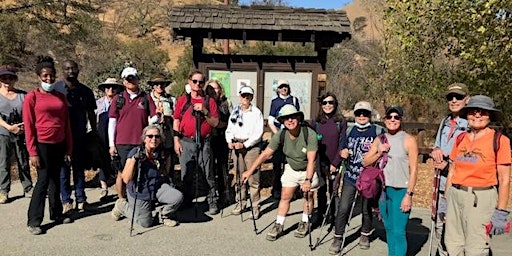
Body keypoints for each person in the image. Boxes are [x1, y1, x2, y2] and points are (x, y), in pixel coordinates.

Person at [444, 95, 511, 255]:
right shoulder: (461, 138)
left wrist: (501, 211)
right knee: (452, 245)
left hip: (480, 198)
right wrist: (446, 199)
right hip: (456, 195)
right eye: (473, 111)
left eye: (482, 112)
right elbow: (452, 170)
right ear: (467, 115)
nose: (477, 115)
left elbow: (504, 179)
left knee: (476, 248)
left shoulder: (499, 140)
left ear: (490, 115)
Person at [242, 104, 319, 241]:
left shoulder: (309, 134)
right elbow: (265, 154)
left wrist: (308, 180)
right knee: (285, 196)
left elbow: (311, 160)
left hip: (308, 168)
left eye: (293, 117)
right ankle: (279, 224)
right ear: (282, 121)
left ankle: (305, 221)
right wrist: (249, 171)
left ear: (298, 118)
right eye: (286, 118)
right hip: (291, 168)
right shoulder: (281, 135)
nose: (290, 120)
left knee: (308, 196)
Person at [23, 56, 73, 235]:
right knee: (43, 181)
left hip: (59, 144)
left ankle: (56, 213)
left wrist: (68, 148)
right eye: (45, 76)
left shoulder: (60, 97)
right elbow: (28, 126)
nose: (49, 79)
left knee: (56, 180)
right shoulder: (32, 97)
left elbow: (66, 124)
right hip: (42, 145)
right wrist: (32, 152)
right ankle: (34, 220)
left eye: (51, 76)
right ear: (39, 76)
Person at [362, 105, 418, 256]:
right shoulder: (380, 139)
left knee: (399, 231)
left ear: (401, 120)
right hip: (383, 191)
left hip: (401, 191)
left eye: (396, 117)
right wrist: (380, 152)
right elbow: (365, 162)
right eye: (389, 117)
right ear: (385, 119)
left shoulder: (409, 140)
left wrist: (409, 194)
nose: (393, 120)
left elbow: (413, 170)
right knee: (389, 228)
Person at [329, 100, 383, 254]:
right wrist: (343, 153)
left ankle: (365, 234)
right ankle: (338, 237)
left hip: (368, 178)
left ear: (370, 115)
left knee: (366, 209)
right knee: (344, 207)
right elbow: (342, 148)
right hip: (350, 176)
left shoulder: (377, 131)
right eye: (358, 113)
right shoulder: (349, 130)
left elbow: (384, 153)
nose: (361, 116)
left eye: (365, 113)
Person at [111, 124, 183, 227]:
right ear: (144, 139)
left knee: (177, 197)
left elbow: (165, 173)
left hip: (156, 187)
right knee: (145, 223)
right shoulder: (135, 152)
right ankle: (122, 206)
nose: (154, 139)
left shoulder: (162, 153)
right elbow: (126, 179)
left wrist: (164, 160)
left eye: (157, 137)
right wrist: (135, 160)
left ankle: (163, 215)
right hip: (140, 191)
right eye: (150, 136)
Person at [429, 82, 469, 256]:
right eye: (450, 97)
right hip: (442, 185)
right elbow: (437, 147)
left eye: (458, 97)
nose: (454, 100)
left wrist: (448, 166)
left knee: (457, 231)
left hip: (460, 185)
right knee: (440, 225)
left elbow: (471, 159)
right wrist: (436, 152)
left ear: (467, 99)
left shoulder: (471, 123)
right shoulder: (445, 122)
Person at [173, 71, 219, 215]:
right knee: (186, 173)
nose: (197, 84)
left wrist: (205, 111)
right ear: (189, 81)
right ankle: (186, 201)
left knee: (208, 173)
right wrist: (176, 140)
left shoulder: (209, 101)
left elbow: (215, 122)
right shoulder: (182, 100)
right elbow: (176, 120)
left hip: (204, 141)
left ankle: (212, 201)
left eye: (200, 82)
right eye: (194, 81)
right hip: (186, 141)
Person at [108, 66, 157, 202]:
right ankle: (121, 200)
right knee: (122, 173)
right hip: (122, 142)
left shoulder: (146, 98)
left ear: (138, 79)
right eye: (128, 79)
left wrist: (158, 116)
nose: (131, 81)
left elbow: (152, 118)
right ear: (123, 81)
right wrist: (112, 144)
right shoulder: (118, 99)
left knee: (139, 171)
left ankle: (137, 199)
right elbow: (112, 122)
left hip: (139, 141)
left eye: (133, 78)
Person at [55, 60, 97, 213]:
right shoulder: (56, 89)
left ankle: (81, 199)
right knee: (63, 169)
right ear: (62, 71)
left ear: (78, 70)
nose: (70, 71)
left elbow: (91, 113)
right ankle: (66, 201)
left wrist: (94, 131)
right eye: (67, 68)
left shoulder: (85, 91)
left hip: (80, 135)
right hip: (61, 136)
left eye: (73, 68)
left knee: (79, 169)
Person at [225, 86, 263, 219]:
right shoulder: (235, 111)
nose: (245, 98)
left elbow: (258, 133)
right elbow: (229, 128)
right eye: (243, 95)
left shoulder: (256, 112)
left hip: (251, 146)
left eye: (248, 96)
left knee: (253, 177)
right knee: (239, 176)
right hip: (237, 145)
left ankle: (255, 206)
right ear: (240, 96)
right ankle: (241, 202)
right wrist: (229, 140)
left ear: (251, 97)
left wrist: (245, 144)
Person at [311, 93, 347, 223]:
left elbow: (342, 143)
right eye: (325, 103)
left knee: (334, 190)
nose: (327, 105)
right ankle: (320, 216)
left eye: (330, 102)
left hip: (335, 162)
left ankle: (335, 217)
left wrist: (335, 163)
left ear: (335, 104)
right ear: (321, 105)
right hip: (320, 162)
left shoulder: (340, 122)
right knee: (320, 189)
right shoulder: (316, 122)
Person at [0, 65, 33, 204]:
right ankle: (3, 190)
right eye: (4, 78)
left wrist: (24, 127)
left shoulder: (23, 95)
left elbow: (29, 113)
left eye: (10, 77)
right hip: (3, 132)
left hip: (21, 132)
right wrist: (8, 126)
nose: (7, 80)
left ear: (15, 79)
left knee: (23, 160)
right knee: (3, 162)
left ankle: (28, 187)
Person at [268, 79, 300, 199]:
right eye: (281, 87)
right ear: (278, 89)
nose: (284, 89)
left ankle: (292, 191)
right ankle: (276, 189)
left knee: (291, 164)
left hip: (292, 136)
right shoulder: (275, 102)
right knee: (277, 164)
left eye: (286, 86)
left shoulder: (294, 100)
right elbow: (271, 120)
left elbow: (297, 118)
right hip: (279, 134)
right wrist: (278, 136)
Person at [95, 78, 123, 200]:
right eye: (108, 87)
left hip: (117, 133)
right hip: (101, 135)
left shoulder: (121, 102)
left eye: (113, 87)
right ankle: (104, 187)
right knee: (102, 159)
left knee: (117, 159)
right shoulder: (98, 103)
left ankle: (120, 187)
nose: (110, 90)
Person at [205, 79, 231, 203]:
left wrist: (220, 124)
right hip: (208, 138)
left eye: (216, 88)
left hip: (221, 138)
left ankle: (224, 193)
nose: (213, 91)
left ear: (220, 90)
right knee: (209, 168)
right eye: (210, 88)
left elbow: (229, 121)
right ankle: (211, 194)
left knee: (222, 168)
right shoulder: (205, 102)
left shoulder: (225, 103)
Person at [148, 75, 175, 181]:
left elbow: (176, 116)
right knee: (153, 155)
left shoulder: (171, 99)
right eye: (156, 84)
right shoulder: (147, 98)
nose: (159, 86)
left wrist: (168, 117)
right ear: (153, 86)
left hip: (167, 131)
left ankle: (168, 178)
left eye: (162, 84)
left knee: (168, 155)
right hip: (152, 132)